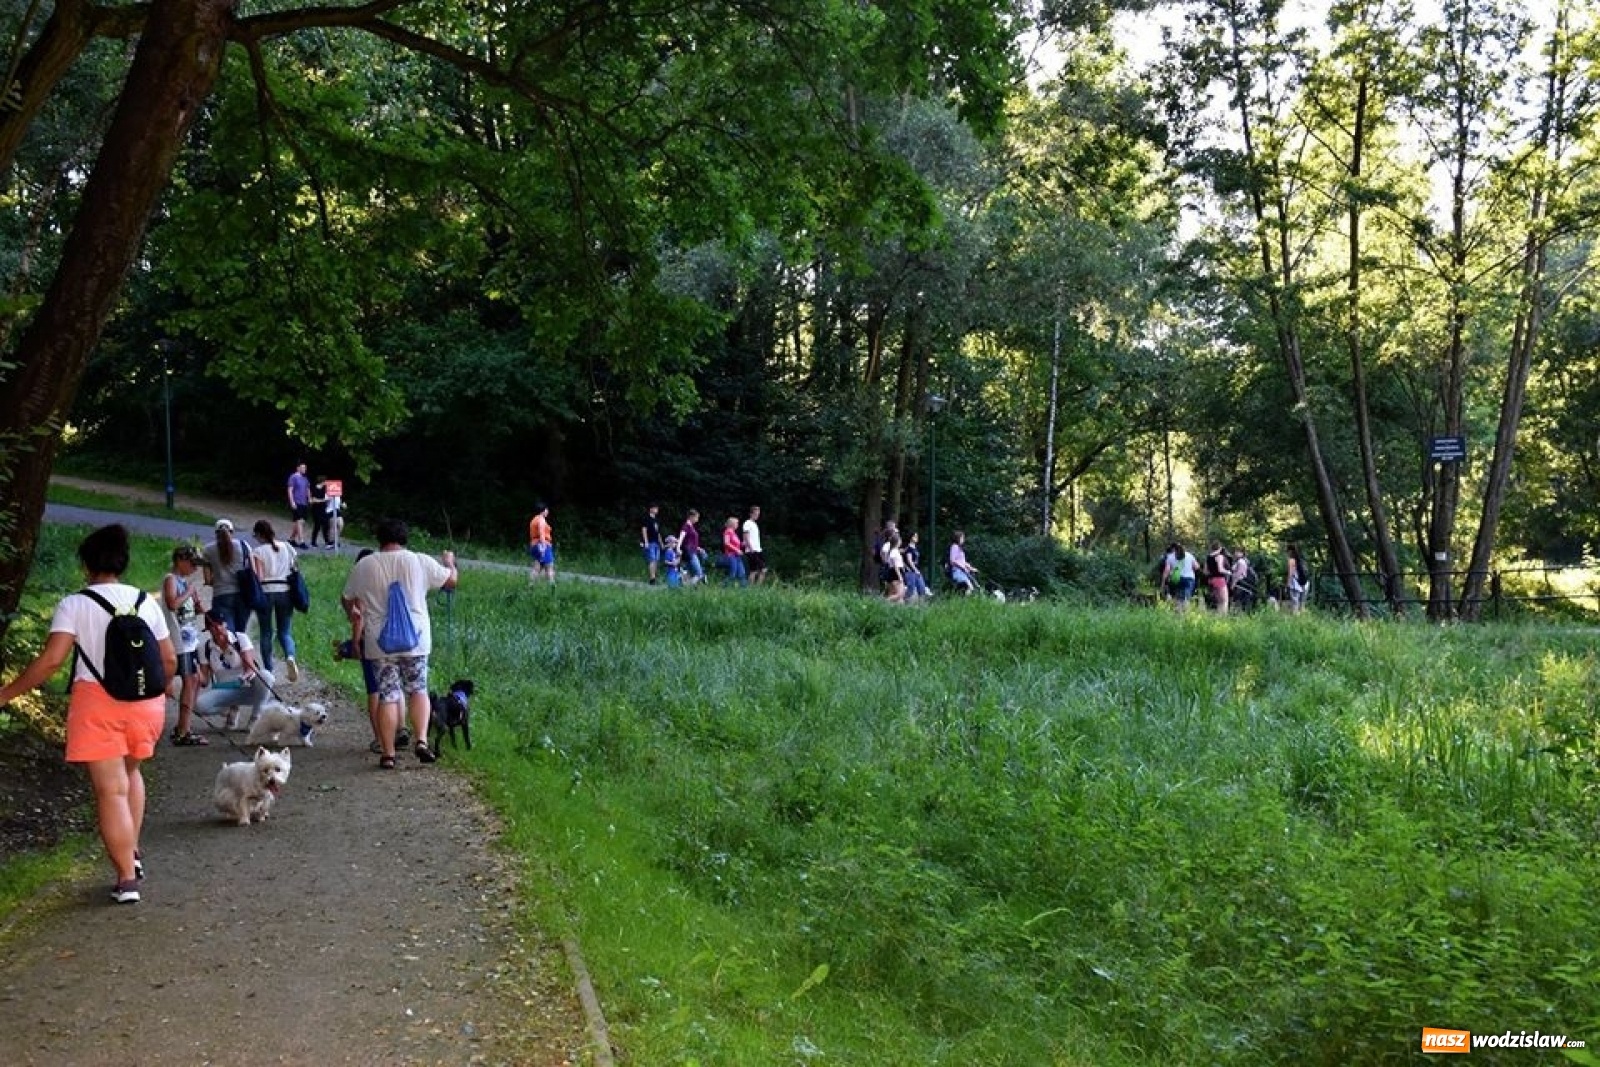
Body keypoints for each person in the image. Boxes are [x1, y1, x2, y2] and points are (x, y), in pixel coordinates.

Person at [0, 524, 176, 904]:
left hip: (98, 706)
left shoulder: (74, 604)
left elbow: (51, 662)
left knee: (110, 791)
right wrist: (156, 692)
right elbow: (169, 660)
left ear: (86, 565)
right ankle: (133, 852)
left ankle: (127, 878)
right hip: (146, 705)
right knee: (131, 774)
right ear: (122, 563)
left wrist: (5, 694)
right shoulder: (147, 603)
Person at [340, 517, 458, 768]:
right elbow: (450, 581)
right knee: (418, 689)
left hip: (379, 643)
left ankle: (388, 754)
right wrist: (450, 563)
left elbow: (347, 597)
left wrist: (353, 614)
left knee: (388, 695)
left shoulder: (365, 565)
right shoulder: (419, 561)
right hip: (415, 640)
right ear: (404, 538)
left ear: (379, 539)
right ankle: (422, 741)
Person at [194, 608, 274, 730]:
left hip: (245, 685)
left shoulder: (240, 638)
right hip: (225, 690)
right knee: (199, 706)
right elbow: (204, 682)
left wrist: (243, 677)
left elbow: (250, 668)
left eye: (220, 624)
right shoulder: (205, 648)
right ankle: (229, 709)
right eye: (213, 626)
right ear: (208, 629)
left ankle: (255, 718)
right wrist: (196, 673)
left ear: (225, 624)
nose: (218, 629)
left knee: (266, 676)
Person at [161, 544, 207, 746]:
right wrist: (188, 592)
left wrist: (197, 607)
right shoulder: (171, 580)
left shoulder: (182, 582)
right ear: (180, 561)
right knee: (189, 681)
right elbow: (172, 604)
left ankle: (184, 727)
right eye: (192, 564)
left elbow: (185, 611)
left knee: (195, 680)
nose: (195, 569)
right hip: (179, 641)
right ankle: (182, 731)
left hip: (190, 640)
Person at [250, 519, 300, 680]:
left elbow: (259, 576)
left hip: (266, 593)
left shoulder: (258, 551)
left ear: (259, 534)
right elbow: (295, 568)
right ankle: (290, 656)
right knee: (285, 632)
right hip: (285, 591)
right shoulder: (287, 547)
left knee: (266, 632)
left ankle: (269, 671)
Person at [202, 518, 252, 633]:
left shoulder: (208, 550)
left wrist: (220, 579)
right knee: (241, 633)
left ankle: (231, 650)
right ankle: (241, 650)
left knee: (228, 633)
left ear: (216, 533)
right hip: (243, 595)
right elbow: (252, 570)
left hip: (221, 595)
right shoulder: (244, 545)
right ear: (232, 532)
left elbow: (208, 579)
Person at [1161, 542, 1199, 613]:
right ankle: (1186, 617)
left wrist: (1163, 583)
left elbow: (1166, 571)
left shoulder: (1170, 556)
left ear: (1174, 549)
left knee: (1178, 598)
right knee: (1186, 598)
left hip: (1176, 579)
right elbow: (1197, 567)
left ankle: (1178, 617)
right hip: (1189, 579)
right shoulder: (1189, 555)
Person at [528, 503, 555, 584]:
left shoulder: (534, 520)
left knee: (537, 568)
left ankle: (531, 586)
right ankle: (552, 587)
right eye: (547, 510)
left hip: (534, 545)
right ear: (543, 510)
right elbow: (541, 533)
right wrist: (543, 547)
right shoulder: (541, 519)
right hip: (543, 545)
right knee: (549, 568)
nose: (548, 512)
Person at [286, 463, 311, 549]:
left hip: (304, 503)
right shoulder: (293, 477)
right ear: (298, 468)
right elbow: (290, 490)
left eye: (305, 468)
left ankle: (291, 539)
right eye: (303, 467)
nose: (304, 469)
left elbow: (308, 489)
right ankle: (301, 541)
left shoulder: (305, 479)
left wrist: (310, 498)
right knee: (299, 521)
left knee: (301, 522)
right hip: (297, 502)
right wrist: (292, 502)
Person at [947, 530, 980, 595]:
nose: (963, 539)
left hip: (963, 572)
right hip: (957, 572)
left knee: (972, 588)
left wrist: (971, 568)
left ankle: (965, 600)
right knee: (969, 588)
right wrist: (962, 567)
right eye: (962, 538)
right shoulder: (954, 547)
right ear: (958, 538)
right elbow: (952, 561)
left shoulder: (959, 548)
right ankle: (964, 600)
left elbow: (962, 562)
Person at [902, 531, 933, 599]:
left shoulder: (915, 548)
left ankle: (920, 607)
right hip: (910, 572)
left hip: (916, 571)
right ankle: (902, 602)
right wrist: (915, 570)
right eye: (915, 536)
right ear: (911, 537)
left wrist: (917, 571)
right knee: (911, 590)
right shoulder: (909, 548)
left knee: (922, 589)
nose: (917, 538)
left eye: (917, 536)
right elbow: (909, 561)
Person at [678, 510, 705, 585]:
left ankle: (684, 584)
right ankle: (686, 585)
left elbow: (690, 541)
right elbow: (681, 537)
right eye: (697, 517)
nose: (697, 519)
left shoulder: (691, 527)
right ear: (691, 517)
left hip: (693, 551)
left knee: (688, 572)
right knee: (699, 573)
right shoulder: (686, 526)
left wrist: (698, 548)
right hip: (690, 552)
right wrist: (678, 548)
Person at [1204, 540, 1231, 614]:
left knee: (1218, 602)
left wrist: (1212, 573)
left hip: (1211, 580)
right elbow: (1220, 569)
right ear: (1220, 548)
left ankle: (1218, 619)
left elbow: (1205, 572)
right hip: (1220, 579)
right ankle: (1223, 619)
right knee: (1224, 601)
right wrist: (1228, 572)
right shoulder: (1219, 556)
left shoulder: (1208, 557)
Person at [742, 505, 767, 584]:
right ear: (751, 514)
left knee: (760, 570)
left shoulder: (755, 524)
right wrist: (751, 548)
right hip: (752, 550)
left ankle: (755, 588)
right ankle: (753, 589)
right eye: (756, 514)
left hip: (758, 550)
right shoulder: (747, 523)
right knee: (756, 570)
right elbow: (745, 537)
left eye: (758, 514)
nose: (757, 516)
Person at [721, 516, 747, 586]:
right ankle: (721, 586)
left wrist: (742, 544)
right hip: (731, 556)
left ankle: (745, 591)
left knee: (742, 574)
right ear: (732, 524)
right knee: (732, 575)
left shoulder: (734, 533)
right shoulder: (728, 531)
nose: (738, 525)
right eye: (737, 523)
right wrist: (737, 550)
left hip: (737, 556)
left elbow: (735, 544)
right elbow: (726, 543)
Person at [640, 504, 663, 584]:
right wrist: (646, 542)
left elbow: (658, 533)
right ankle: (652, 578)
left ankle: (654, 578)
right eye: (655, 508)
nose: (657, 509)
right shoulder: (646, 518)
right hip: (650, 542)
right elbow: (644, 530)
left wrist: (661, 543)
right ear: (651, 509)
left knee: (656, 560)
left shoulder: (656, 520)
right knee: (652, 560)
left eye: (657, 508)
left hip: (656, 542)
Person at [881, 531, 906, 602]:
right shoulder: (894, 551)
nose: (901, 541)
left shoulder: (895, 551)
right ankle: (884, 602)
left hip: (895, 573)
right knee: (900, 594)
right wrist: (900, 576)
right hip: (896, 573)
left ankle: (900, 610)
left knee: (896, 595)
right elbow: (895, 566)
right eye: (900, 540)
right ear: (897, 542)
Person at [309, 476, 332, 548]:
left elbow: (327, 497)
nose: (326, 483)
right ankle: (313, 542)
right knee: (317, 526)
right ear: (322, 481)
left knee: (326, 525)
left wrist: (323, 500)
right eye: (325, 481)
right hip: (316, 510)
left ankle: (327, 542)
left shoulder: (325, 489)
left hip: (323, 509)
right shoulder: (314, 488)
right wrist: (323, 500)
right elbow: (313, 500)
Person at [1287, 543, 1310, 613]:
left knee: (1295, 604)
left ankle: (1295, 621)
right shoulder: (1301, 559)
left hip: (1296, 584)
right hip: (1305, 583)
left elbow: (1291, 573)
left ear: (1290, 551)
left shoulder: (1291, 560)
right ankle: (1303, 621)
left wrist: (1288, 583)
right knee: (1302, 605)